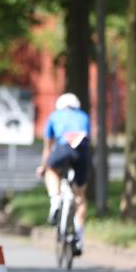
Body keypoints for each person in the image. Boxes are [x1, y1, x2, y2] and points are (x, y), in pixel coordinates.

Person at [36, 92, 90, 256]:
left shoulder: (55, 116)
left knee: (51, 170)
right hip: (82, 151)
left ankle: (56, 200)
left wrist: (43, 166)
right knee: (80, 197)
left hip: (64, 148)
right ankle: (79, 239)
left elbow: (47, 147)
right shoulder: (84, 116)